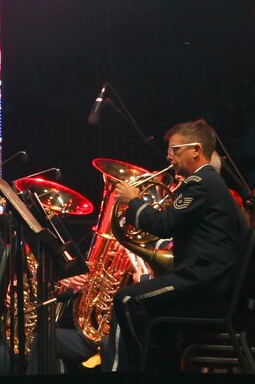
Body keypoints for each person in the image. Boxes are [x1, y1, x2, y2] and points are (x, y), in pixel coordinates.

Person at [103, 119, 248, 371]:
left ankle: (149, 370)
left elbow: (165, 223)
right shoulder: (206, 183)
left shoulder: (200, 184)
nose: (169, 157)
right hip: (208, 279)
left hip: (204, 281)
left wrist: (134, 202)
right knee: (147, 309)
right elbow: (181, 230)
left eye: (175, 150)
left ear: (196, 150)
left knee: (128, 300)